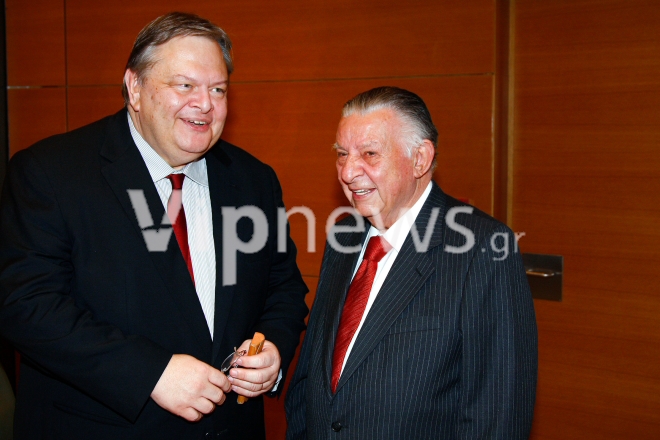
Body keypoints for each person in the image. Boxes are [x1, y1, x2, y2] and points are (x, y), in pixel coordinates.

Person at [0, 12, 308, 440]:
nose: (205, 104)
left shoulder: (253, 180)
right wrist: (150, 373)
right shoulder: (51, 173)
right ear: (135, 88)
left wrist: (272, 348)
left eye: (218, 89)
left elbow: (283, 287)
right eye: (184, 85)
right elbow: (27, 306)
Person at [285, 87, 537, 439]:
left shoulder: (483, 249)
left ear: (420, 159)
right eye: (342, 154)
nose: (348, 171)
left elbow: (498, 417)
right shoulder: (343, 237)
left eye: (369, 154)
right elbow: (311, 376)